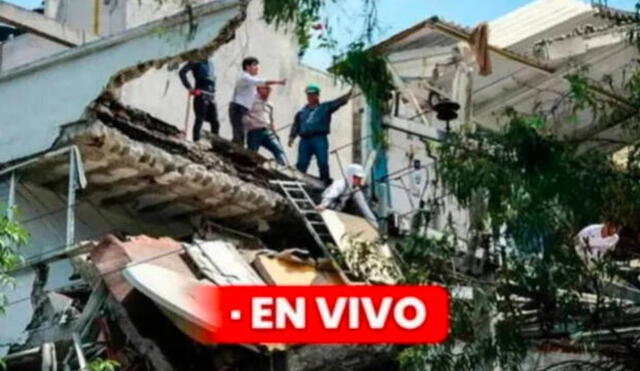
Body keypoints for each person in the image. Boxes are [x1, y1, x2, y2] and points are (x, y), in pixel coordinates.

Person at [288, 84, 352, 183]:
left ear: (318, 96)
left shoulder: (325, 107)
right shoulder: (301, 112)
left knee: (322, 162)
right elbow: (296, 125)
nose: (310, 97)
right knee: (302, 163)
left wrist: (349, 95)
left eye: (313, 95)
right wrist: (292, 136)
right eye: (309, 95)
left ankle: (325, 180)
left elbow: (338, 102)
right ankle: (298, 180)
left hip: (319, 138)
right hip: (305, 140)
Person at [229, 57, 286, 146]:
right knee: (238, 134)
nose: (257, 67)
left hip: (242, 109)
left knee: (239, 133)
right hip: (238, 107)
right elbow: (262, 82)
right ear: (247, 67)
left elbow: (259, 93)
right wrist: (279, 82)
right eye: (254, 65)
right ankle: (233, 151)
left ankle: (234, 149)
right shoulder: (245, 77)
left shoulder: (250, 82)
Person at [316, 164, 378, 228]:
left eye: (360, 178)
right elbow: (331, 195)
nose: (359, 181)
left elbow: (363, 206)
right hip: (324, 206)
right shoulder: (340, 184)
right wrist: (323, 205)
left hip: (336, 211)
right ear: (351, 176)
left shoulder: (356, 190)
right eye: (357, 178)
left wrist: (375, 223)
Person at [243, 85, 286, 165]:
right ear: (259, 89)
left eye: (269, 89)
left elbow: (271, 120)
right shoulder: (251, 101)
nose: (268, 91)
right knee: (252, 153)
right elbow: (244, 115)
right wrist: (250, 123)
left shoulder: (270, 104)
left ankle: (283, 169)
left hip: (267, 132)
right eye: (266, 88)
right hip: (254, 132)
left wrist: (274, 132)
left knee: (278, 150)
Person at [179, 59, 219, 142]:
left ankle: (215, 142)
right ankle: (196, 141)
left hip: (211, 96)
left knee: (215, 122)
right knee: (199, 119)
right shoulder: (195, 60)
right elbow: (182, 73)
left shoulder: (210, 63)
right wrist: (190, 88)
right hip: (201, 94)